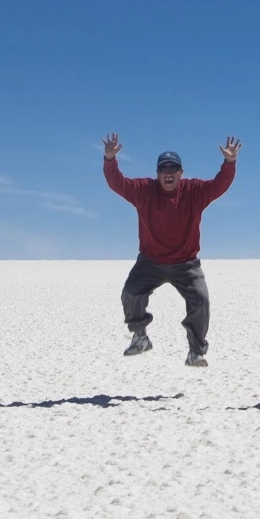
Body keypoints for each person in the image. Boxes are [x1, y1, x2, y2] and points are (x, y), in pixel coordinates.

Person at [102, 134, 239, 367]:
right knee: (131, 292)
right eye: (163, 169)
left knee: (201, 300)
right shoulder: (145, 190)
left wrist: (229, 163)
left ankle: (195, 351)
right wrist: (109, 159)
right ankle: (140, 336)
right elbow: (119, 183)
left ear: (181, 172)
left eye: (173, 169)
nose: (168, 173)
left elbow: (219, 186)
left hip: (186, 263)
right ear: (157, 174)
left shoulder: (193, 191)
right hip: (150, 262)